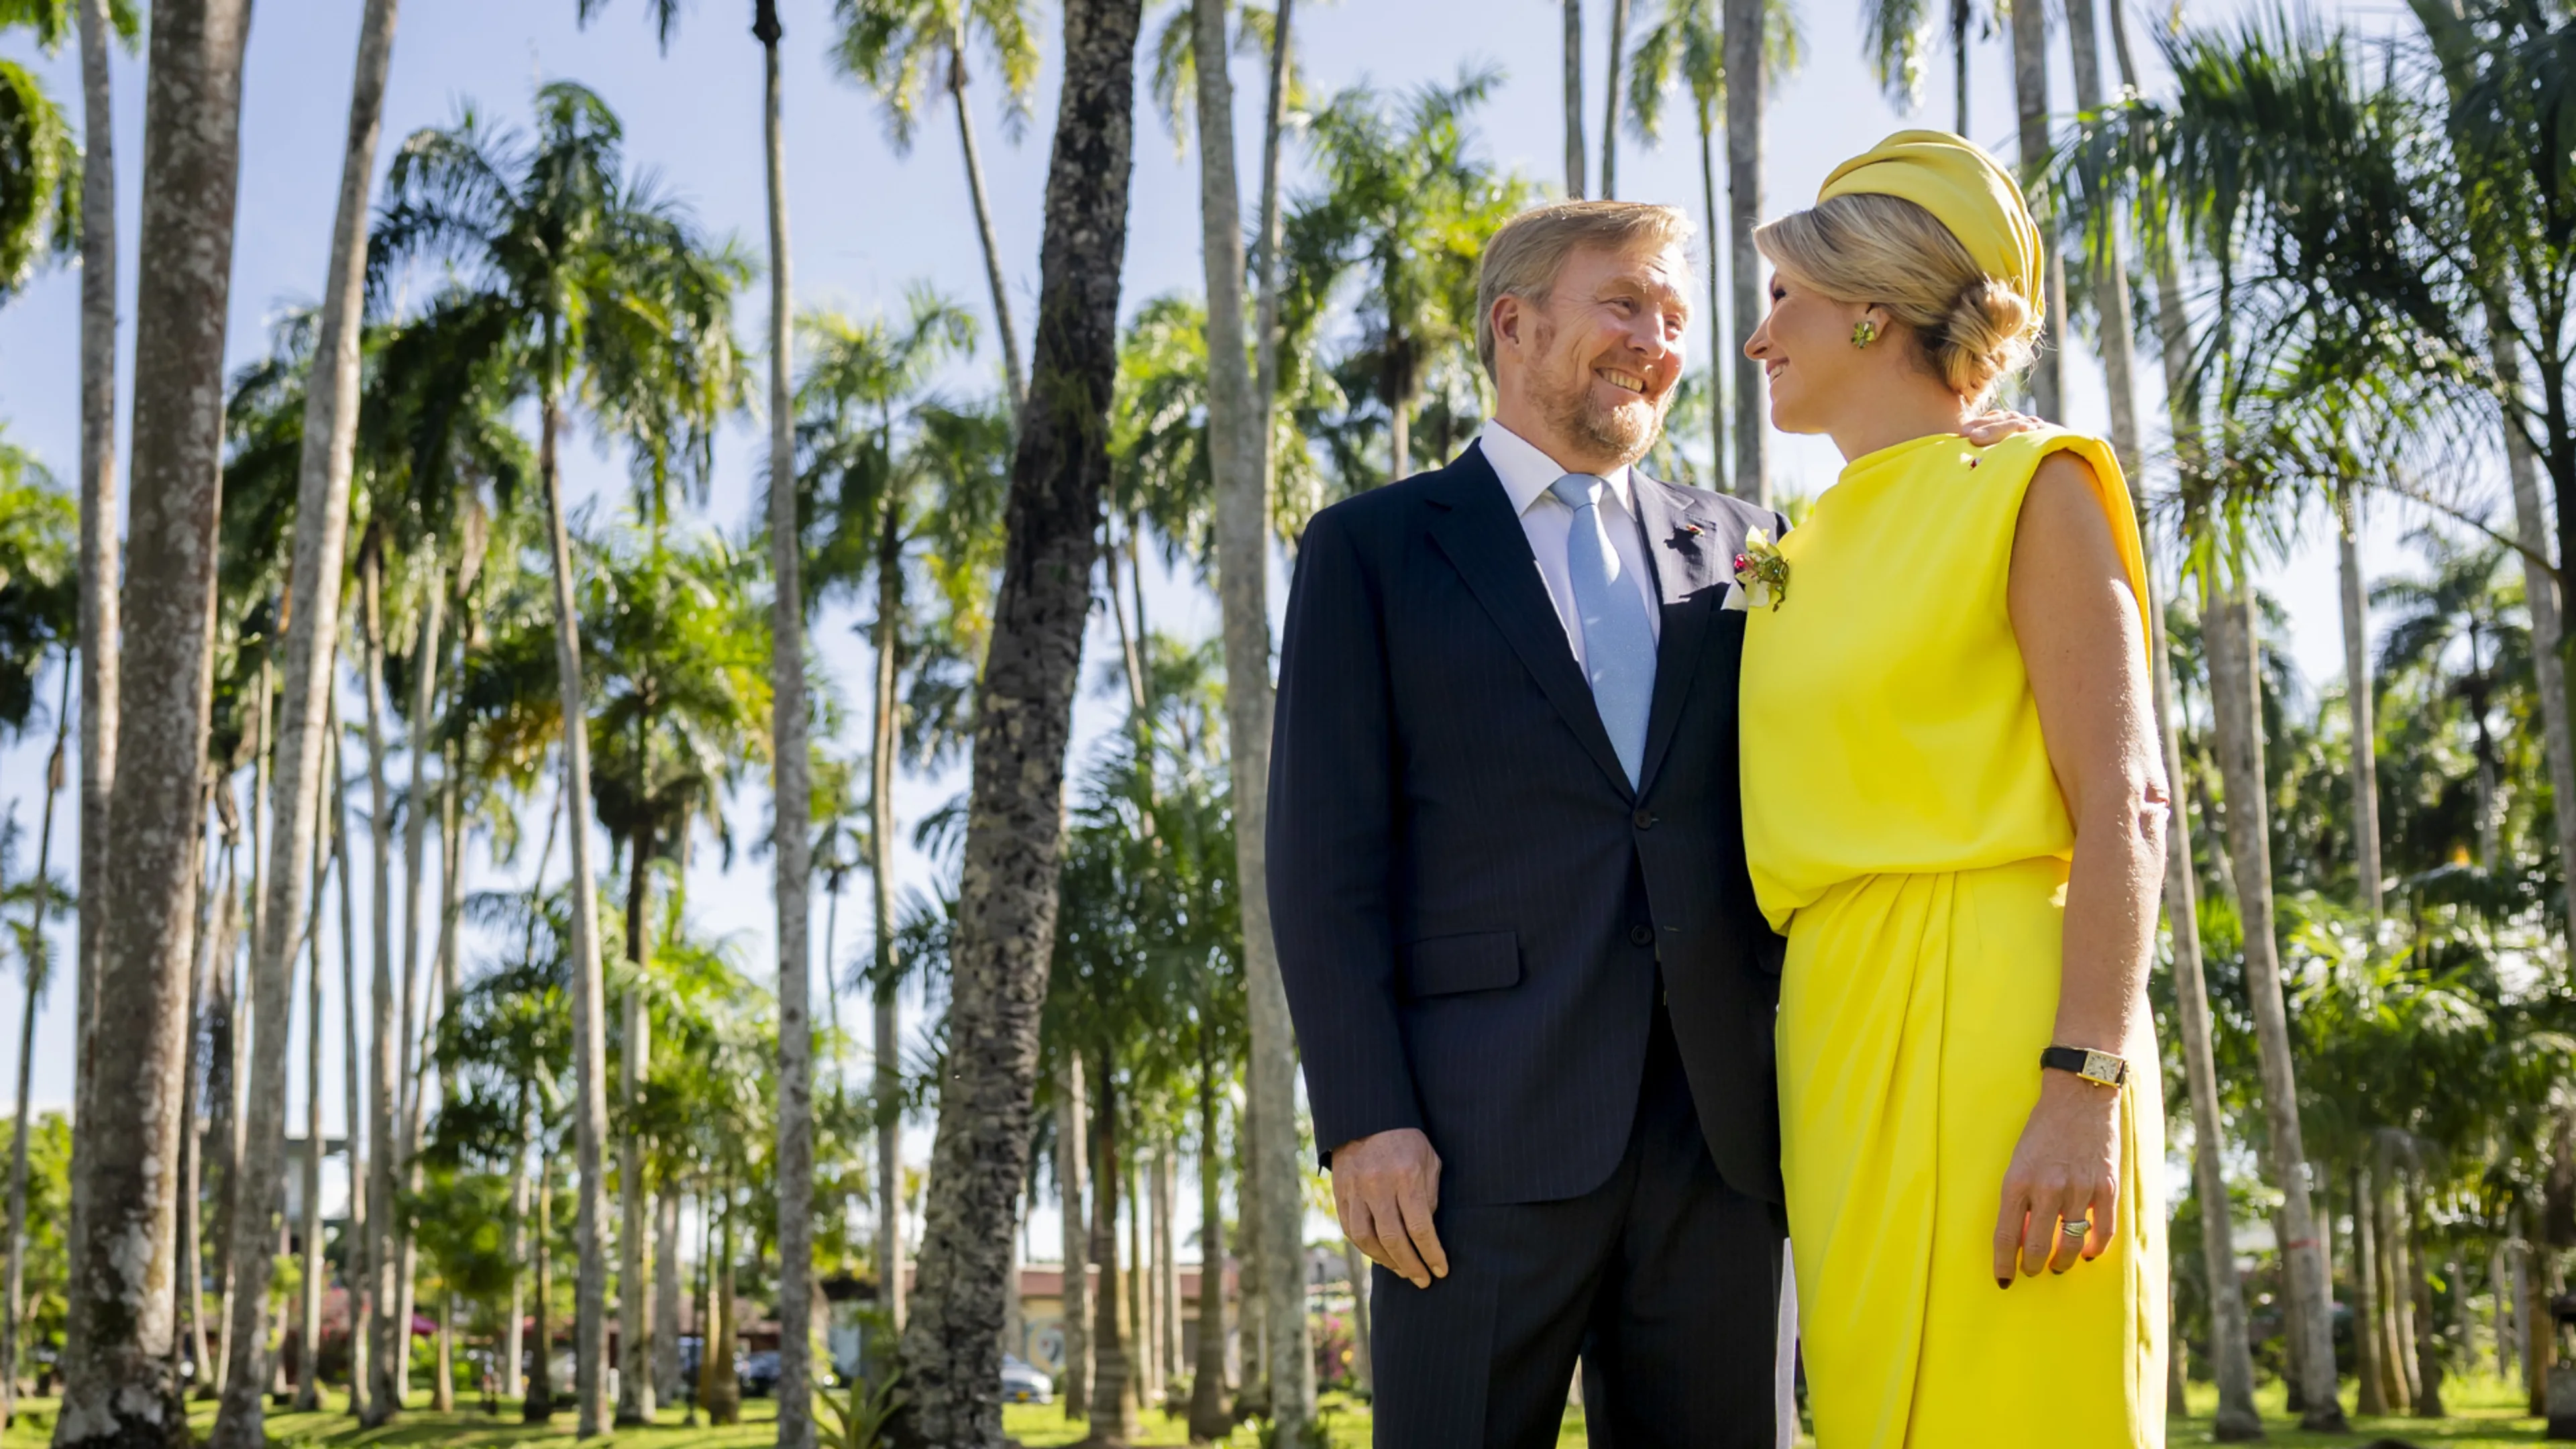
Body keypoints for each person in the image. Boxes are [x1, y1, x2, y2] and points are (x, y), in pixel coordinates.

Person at [1267, 198, 2034, 1448]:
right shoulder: (1373, 551)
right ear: (1514, 324)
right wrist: (1365, 1119)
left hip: (1722, 1148)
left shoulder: (1759, 546)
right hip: (1470, 1149)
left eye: (1675, 317)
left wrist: (1967, 449)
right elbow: (1321, 866)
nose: (1660, 342)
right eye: (1626, 304)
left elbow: (1889, 655)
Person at [1735, 130, 2171, 1447]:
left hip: (2007, 1024)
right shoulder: (1788, 551)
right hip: (1831, 1035)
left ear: (1873, 308)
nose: (1760, 339)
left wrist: (2078, 1085)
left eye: (1782, 299)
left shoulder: (2034, 486)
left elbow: (2129, 798)